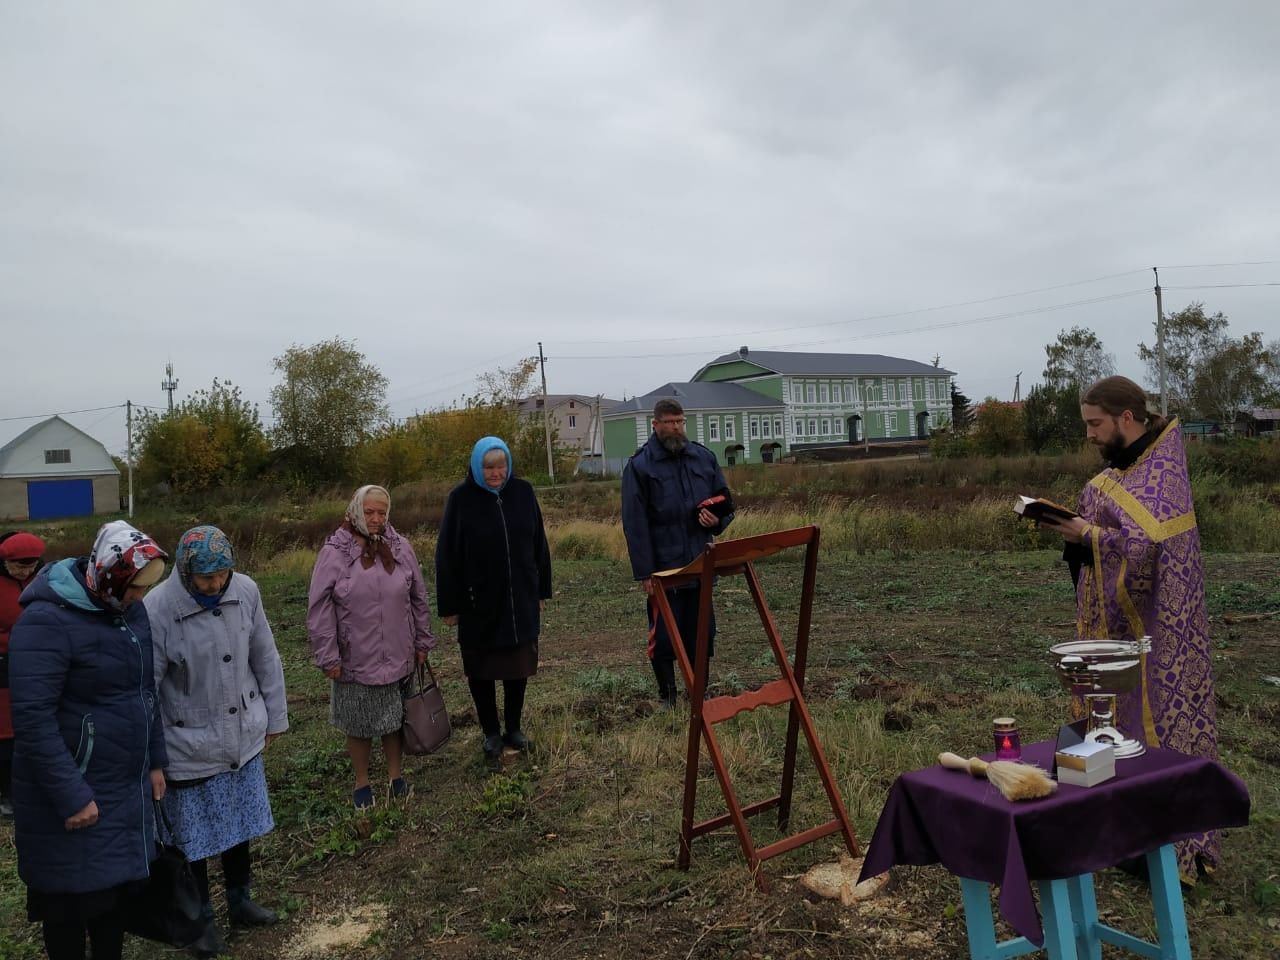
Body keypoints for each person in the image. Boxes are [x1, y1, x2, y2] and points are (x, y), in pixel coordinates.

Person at [1042, 375, 1219, 880]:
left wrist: (1089, 533)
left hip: (1160, 634)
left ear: (1126, 418)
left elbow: (1148, 551)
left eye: (1096, 424)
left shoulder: (1162, 474)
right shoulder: (1118, 473)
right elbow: (1110, 535)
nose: (1090, 435)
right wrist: (1077, 535)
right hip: (1111, 629)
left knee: (1157, 724)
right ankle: (1115, 830)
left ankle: (1168, 845)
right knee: (1108, 722)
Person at [9, 521, 168, 960]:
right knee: (67, 905)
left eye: (146, 588)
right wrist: (71, 795)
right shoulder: (45, 621)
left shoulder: (128, 612)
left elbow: (144, 692)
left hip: (121, 782)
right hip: (72, 788)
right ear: (109, 573)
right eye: (135, 587)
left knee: (111, 899)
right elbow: (33, 719)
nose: (141, 597)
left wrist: (155, 760)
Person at [144, 525, 288, 955]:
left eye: (222, 575)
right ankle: (201, 917)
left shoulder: (245, 591)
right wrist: (152, 754)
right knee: (195, 836)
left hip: (240, 730)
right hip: (187, 741)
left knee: (239, 821)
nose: (215, 584)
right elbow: (146, 687)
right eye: (207, 578)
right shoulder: (157, 609)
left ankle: (241, 900)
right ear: (187, 572)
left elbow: (264, 652)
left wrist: (274, 716)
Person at [308, 485, 435, 809]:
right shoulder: (335, 553)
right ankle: (362, 781)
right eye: (369, 512)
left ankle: (395, 777)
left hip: (397, 651)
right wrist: (328, 656)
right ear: (355, 510)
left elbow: (418, 598)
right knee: (359, 722)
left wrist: (422, 641)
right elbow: (320, 609)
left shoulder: (400, 547)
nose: (376, 518)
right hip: (355, 656)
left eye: (382, 512)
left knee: (393, 720)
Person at [436, 437, 552, 770]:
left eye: (500, 466)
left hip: (520, 597)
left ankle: (513, 728)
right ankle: (490, 732)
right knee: (482, 668)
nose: (496, 473)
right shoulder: (460, 500)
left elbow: (538, 544)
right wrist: (450, 605)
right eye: (489, 467)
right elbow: (447, 555)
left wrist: (541, 589)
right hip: (478, 602)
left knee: (518, 666)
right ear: (477, 467)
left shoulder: (524, 492)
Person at [621, 399, 734, 708]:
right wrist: (645, 572)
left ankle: (698, 693)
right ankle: (667, 696)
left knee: (703, 632)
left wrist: (718, 520)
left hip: (701, 561)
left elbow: (725, 501)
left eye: (680, 422)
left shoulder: (703, 458)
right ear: (655, 425)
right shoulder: (640, 466)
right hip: (664, 567)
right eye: (669, 422)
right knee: (665, 637)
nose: (675, 428)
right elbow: (635, 523)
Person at [1, 531, 47, 818]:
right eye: (19, 566)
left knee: (32, 724)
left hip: (38, 663)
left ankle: (31, 786)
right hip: (3, 665)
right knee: (5, 731)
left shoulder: (43, 578)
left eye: (31, 566)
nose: (25, 571)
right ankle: (6, 791)